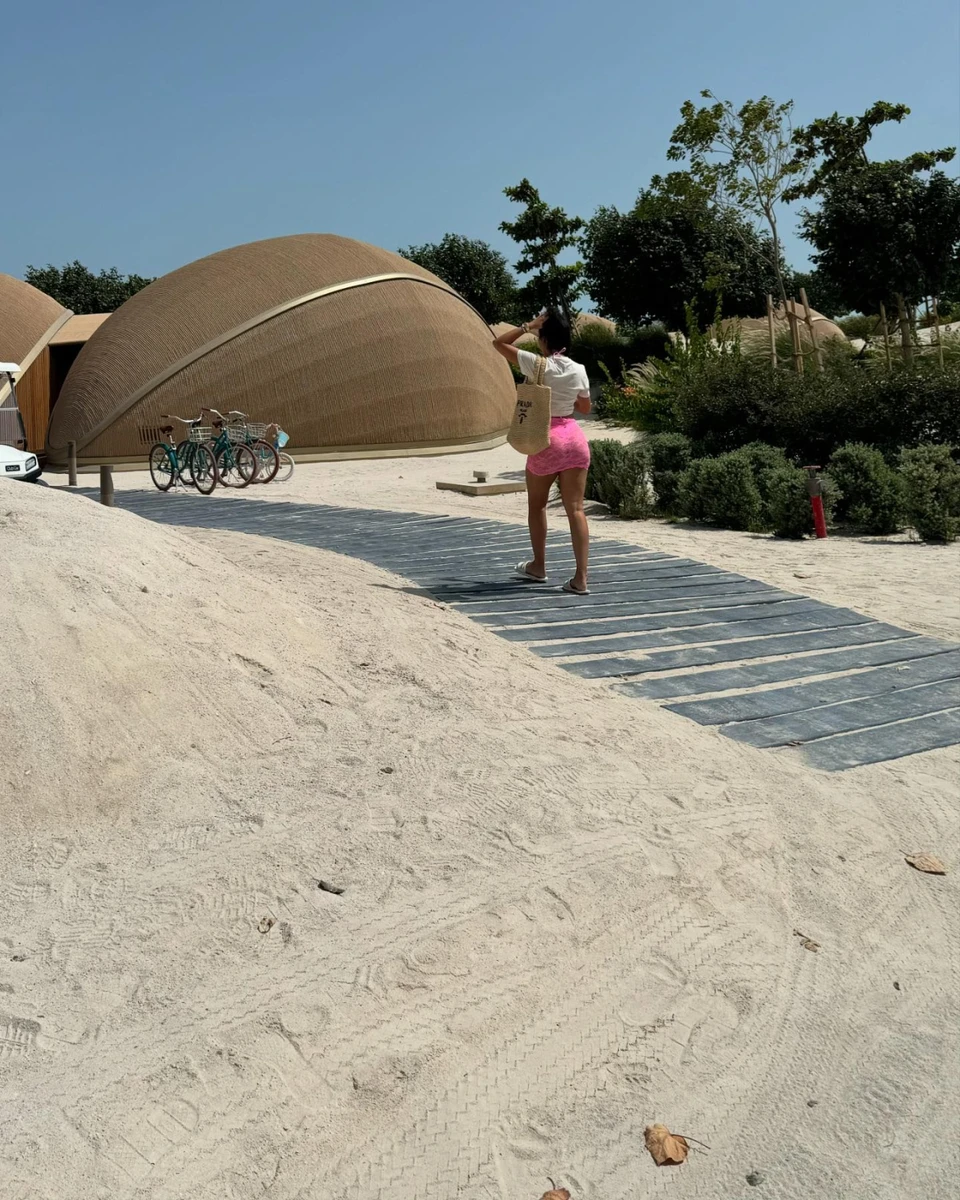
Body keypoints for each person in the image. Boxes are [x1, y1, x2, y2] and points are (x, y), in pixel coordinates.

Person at [493, 309, 592, 594]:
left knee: (537, 505)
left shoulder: (536, 364)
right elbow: (585, 408)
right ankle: (580, 579)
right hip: (575, 439)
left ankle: (538, 566)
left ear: (544, 338)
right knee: (576, 509)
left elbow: (498, 343)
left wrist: (527, 325)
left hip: (545, 438)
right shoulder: (579, 369)